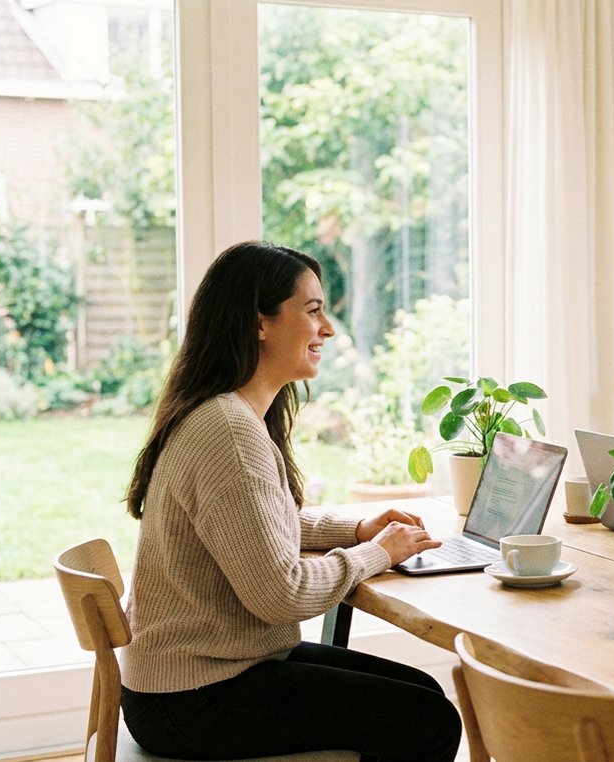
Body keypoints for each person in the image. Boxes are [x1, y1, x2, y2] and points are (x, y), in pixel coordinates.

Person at [120, 241, 461, 760]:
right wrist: (379, 554)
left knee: (425, 697)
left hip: (204, 675)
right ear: (261, 323)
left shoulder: (228, 416)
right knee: (425, 719)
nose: (327, 329)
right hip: (194, 697)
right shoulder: (228, 432)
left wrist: (356, 529)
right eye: (313, 311)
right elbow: (280, 594)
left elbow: (255, 527)